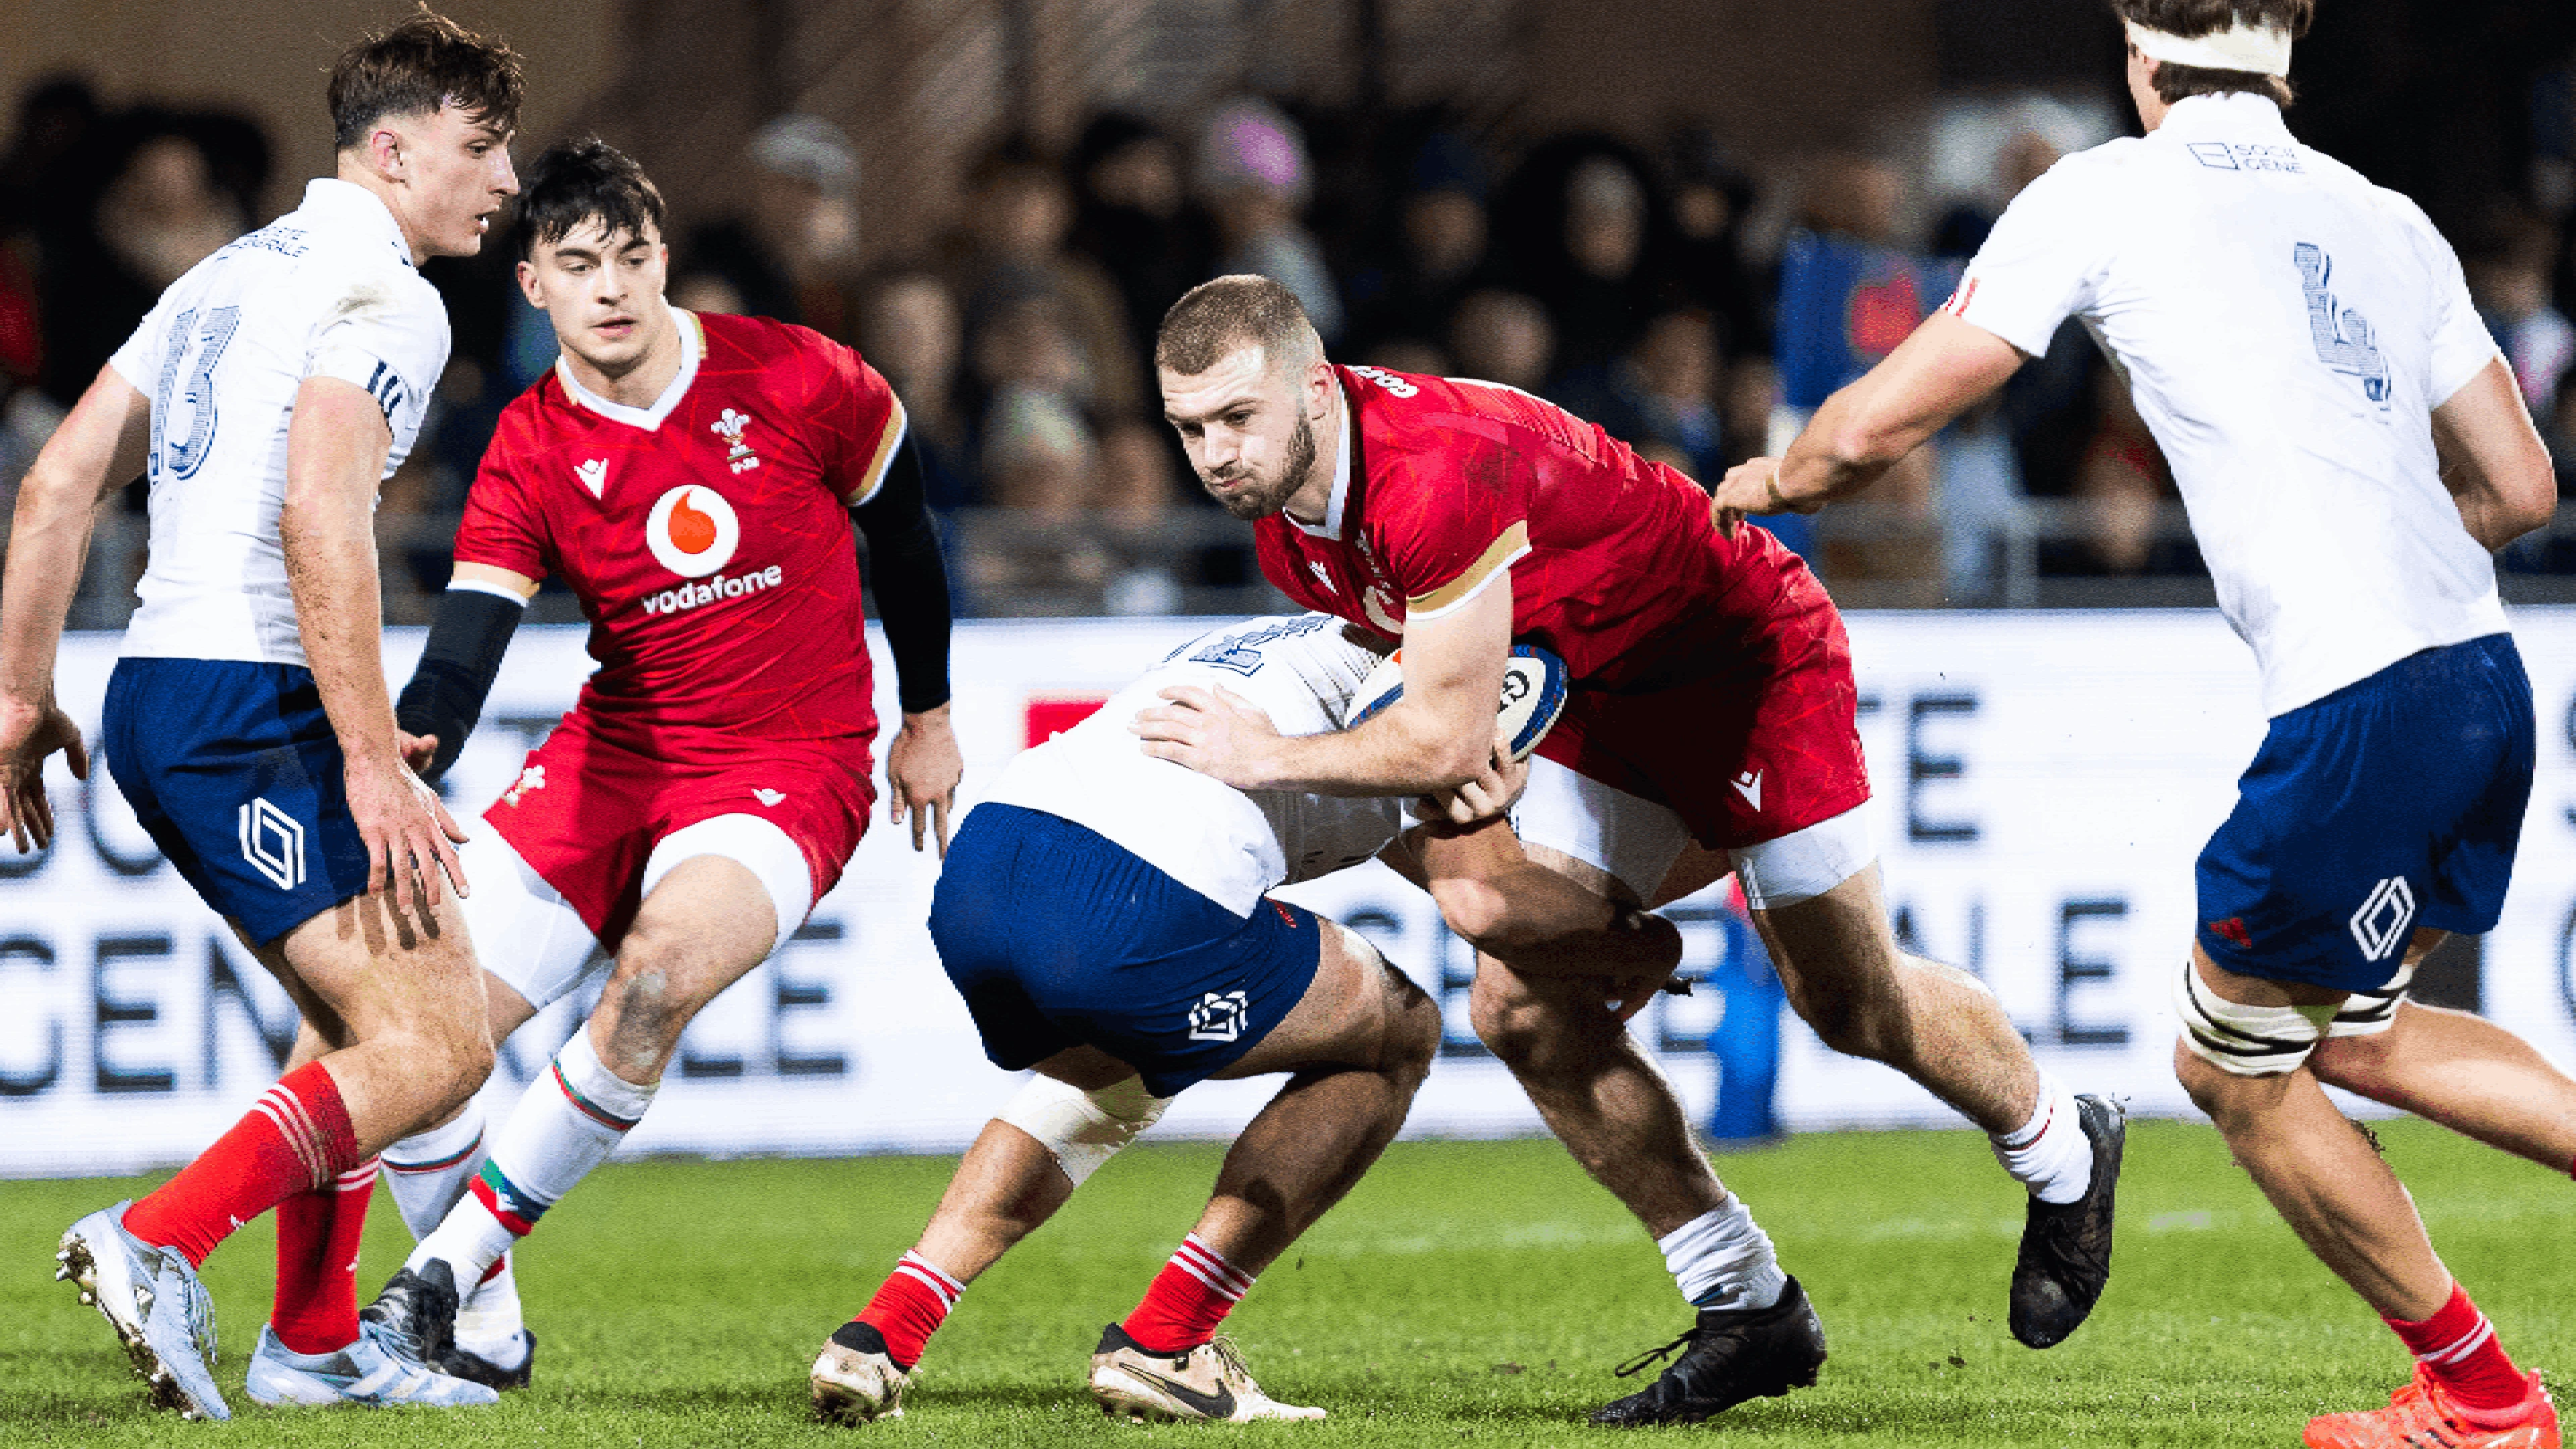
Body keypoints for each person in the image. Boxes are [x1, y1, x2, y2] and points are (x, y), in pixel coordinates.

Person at [1706, 4, 2563, 1445]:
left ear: (2138, 52)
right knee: (2359, 1038)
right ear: (2288, 53)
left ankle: (2483, 1402)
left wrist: (1769, 480)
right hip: (2483, 675)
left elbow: (1871, 431)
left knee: (2229, 1070)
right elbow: (2525, 488)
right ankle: (2474, 1393)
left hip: (2367, 698)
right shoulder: (2388, 217)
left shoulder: (2107, 190)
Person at [1133, 273, 2127, 1427]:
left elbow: (1436, 731)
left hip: (1745, 662)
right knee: (1515, 994)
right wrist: (1475, 762)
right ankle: (1746, 1304)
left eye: (1236, 418)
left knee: (1849, 1004)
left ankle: (2064, 1148)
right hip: (1601, 697)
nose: (1214, 453)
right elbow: (1440, 707)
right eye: (1189, 427)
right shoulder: (1288, 525)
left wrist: (1272, 755)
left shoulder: (1430, 469)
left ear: (1314, 385)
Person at [347, 136, 962, 1391]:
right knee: (405, 1038)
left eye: (632, 258)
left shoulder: (798, 374)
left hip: (792, 766)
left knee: (652, 982)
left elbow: (901, 528)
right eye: (579, 265)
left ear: (665, 259)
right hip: (617, 757)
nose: (612, 287)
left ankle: (436, 1278)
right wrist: (402, 754)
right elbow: (465, 651)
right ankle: (488, 1335)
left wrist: (930, 714)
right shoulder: (527, 444)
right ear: (535, 287)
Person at [0, 13, 525, 1419]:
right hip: (249, 696)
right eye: (482, 148)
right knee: (443, 1044)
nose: (507, 179)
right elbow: (317, 513)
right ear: (395, 148)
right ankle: (158, 1239)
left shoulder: (224, 277)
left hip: (168, 688)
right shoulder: (392, 297)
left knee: (361, 1013)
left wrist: (15, 696)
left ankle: (313, 1339)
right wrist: (367, 758)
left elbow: (56, 485)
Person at [806, 611, 1680, 1425]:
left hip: (986, 873)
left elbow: (1455, 877)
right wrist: (1648, 947)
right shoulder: (1444, 683)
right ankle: (1170, 1341)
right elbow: (1486, 899)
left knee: (1110, 1071)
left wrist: (1549, 916)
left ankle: (883, 1332)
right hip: (1132, 905)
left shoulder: (1312, 639)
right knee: (1396, 1033)